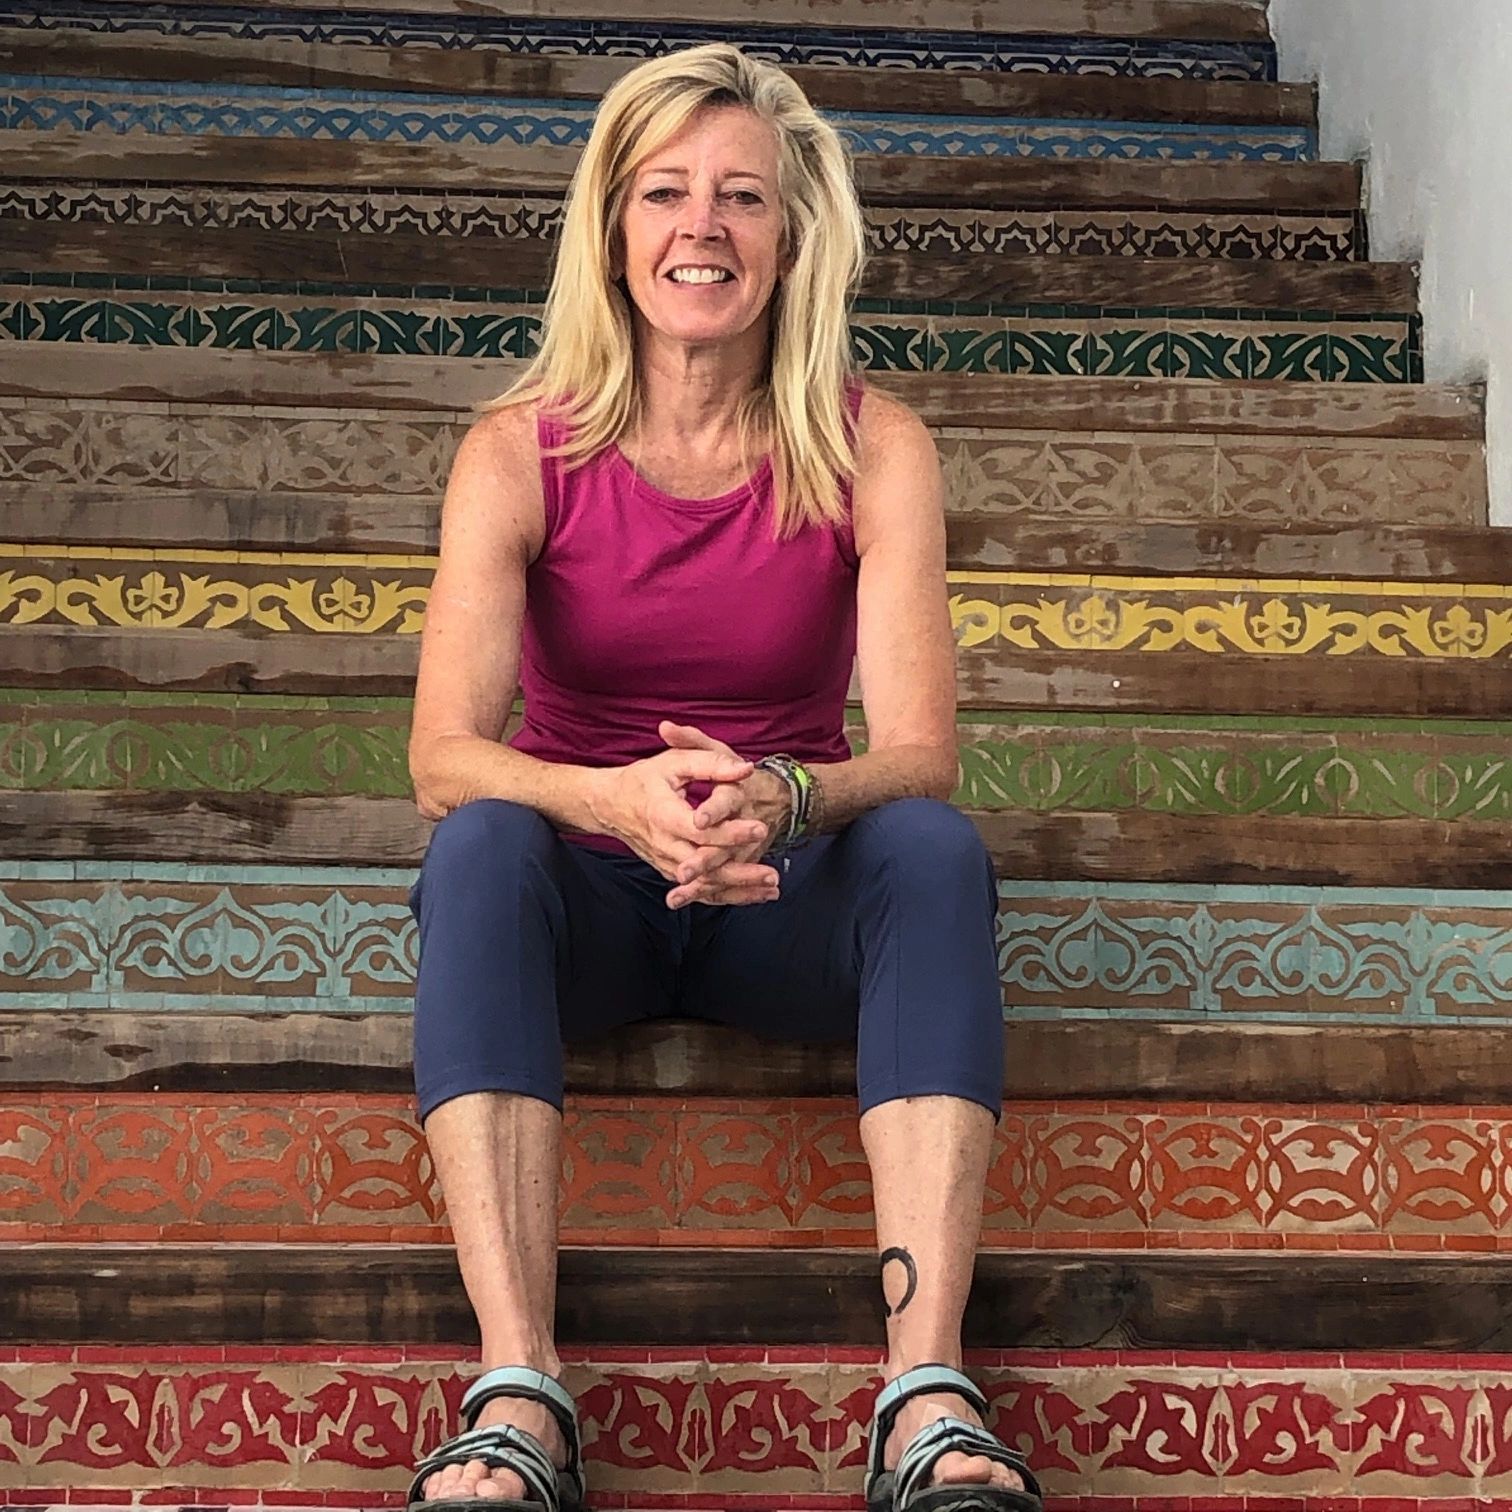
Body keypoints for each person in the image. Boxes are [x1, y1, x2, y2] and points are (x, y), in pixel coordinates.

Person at [403, 41, 1043, 1512]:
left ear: (794, 236)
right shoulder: (518, 451)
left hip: (780, 893)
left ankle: (925, 1395)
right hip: (587, 902)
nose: (704, 228)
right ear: (615, 229)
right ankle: (517, 1395)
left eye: (743, 197)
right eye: (668, 193)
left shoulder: (873, 447)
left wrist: (790, 792)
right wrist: (610, 796)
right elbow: (442, 752)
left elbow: (923, 747)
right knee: (483, 844)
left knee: (933, 849)